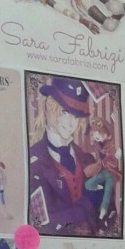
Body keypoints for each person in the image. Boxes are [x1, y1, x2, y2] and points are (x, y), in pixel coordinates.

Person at [27, 77, 99, 234]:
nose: (71, 123)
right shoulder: (32, 161)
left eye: (76, 116)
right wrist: (87, 205)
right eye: (66, 112)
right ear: (51, 107)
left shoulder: (88, 159)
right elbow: (44, 223)